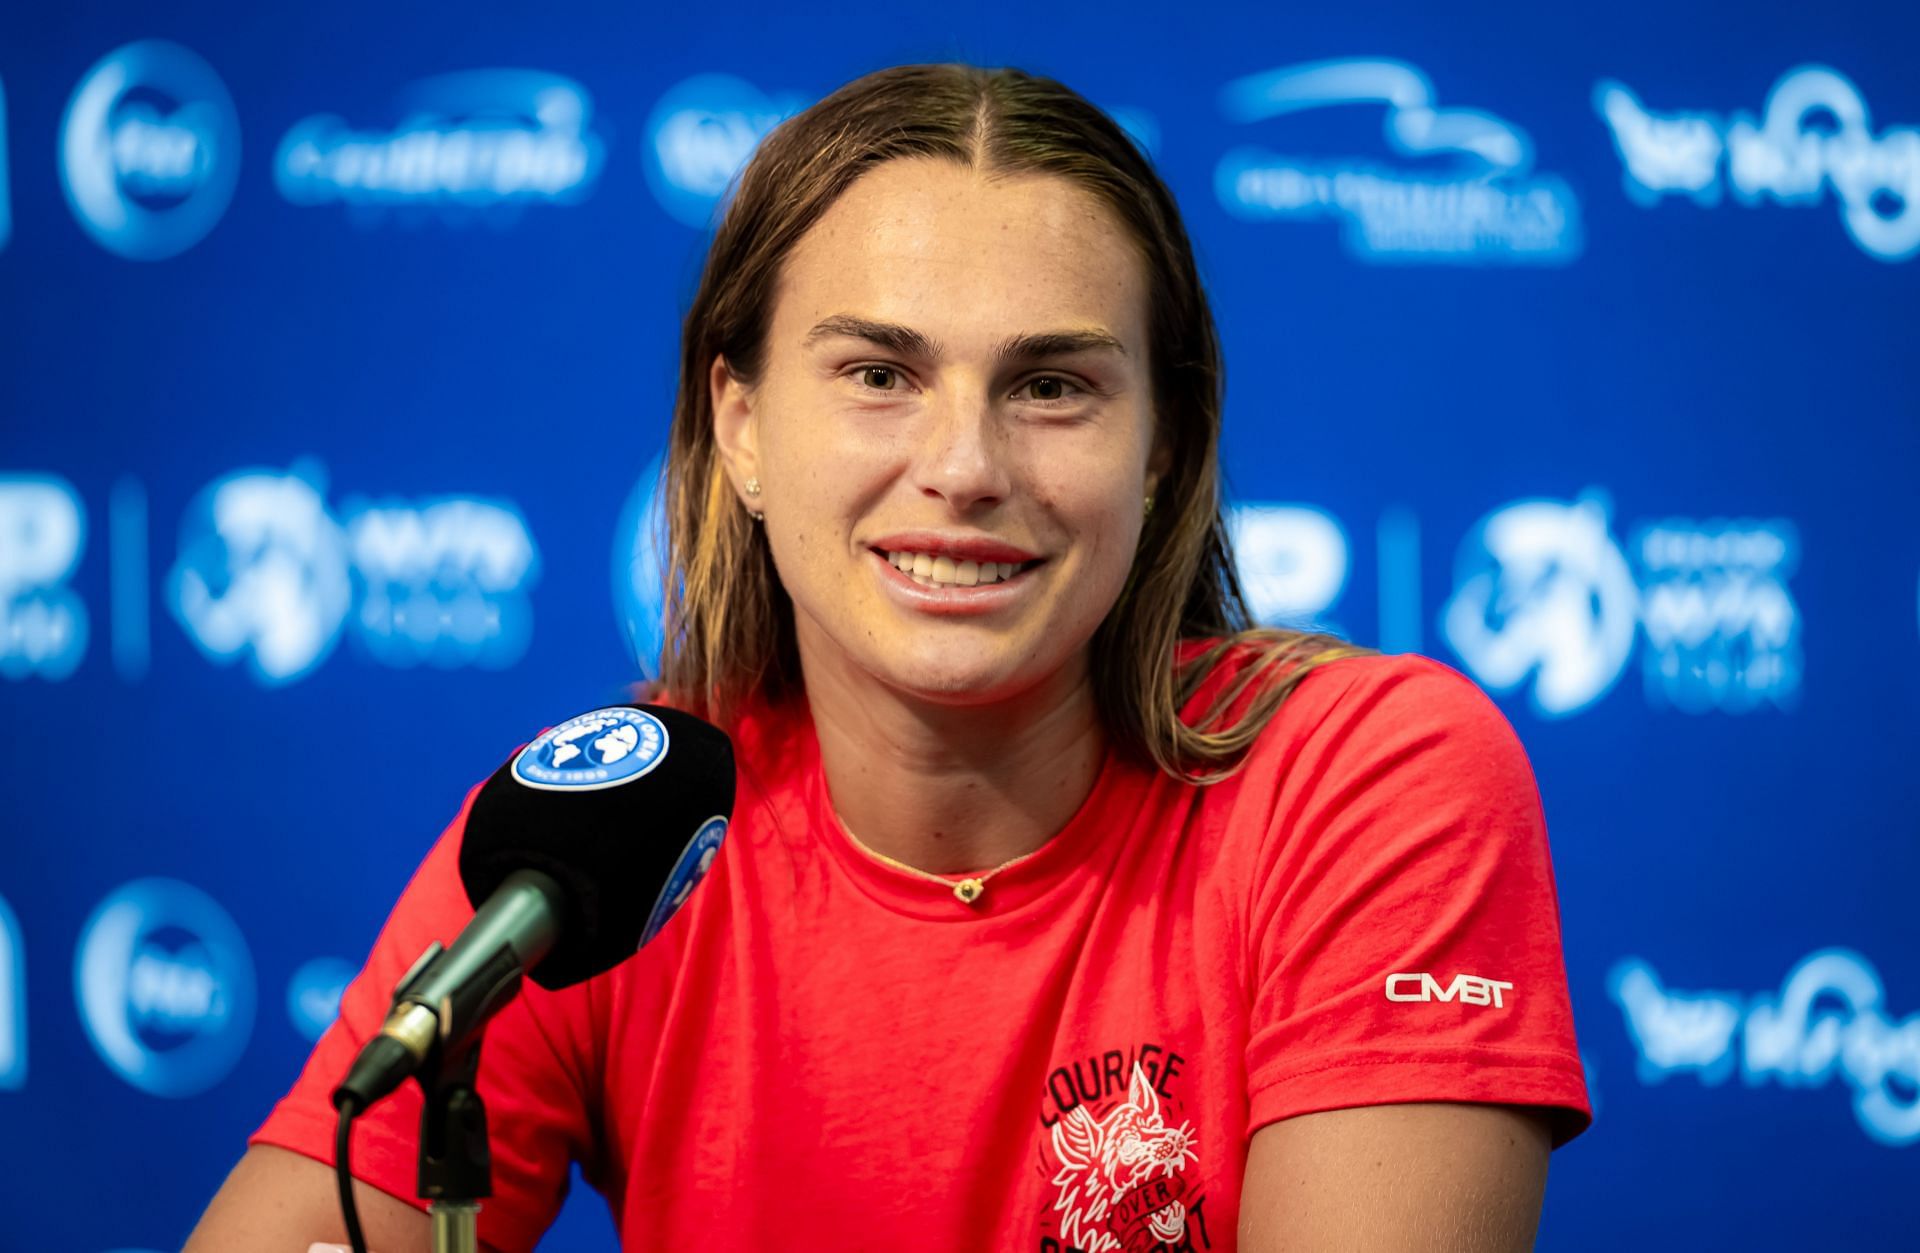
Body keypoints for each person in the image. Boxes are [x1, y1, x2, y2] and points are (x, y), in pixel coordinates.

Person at [185, 62, 1590, 1253]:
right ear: (738, 422)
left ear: (1162, 446)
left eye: (1053, 386)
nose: (965, 468)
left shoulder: (1369, 778)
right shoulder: (618, 835)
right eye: (879, 373)